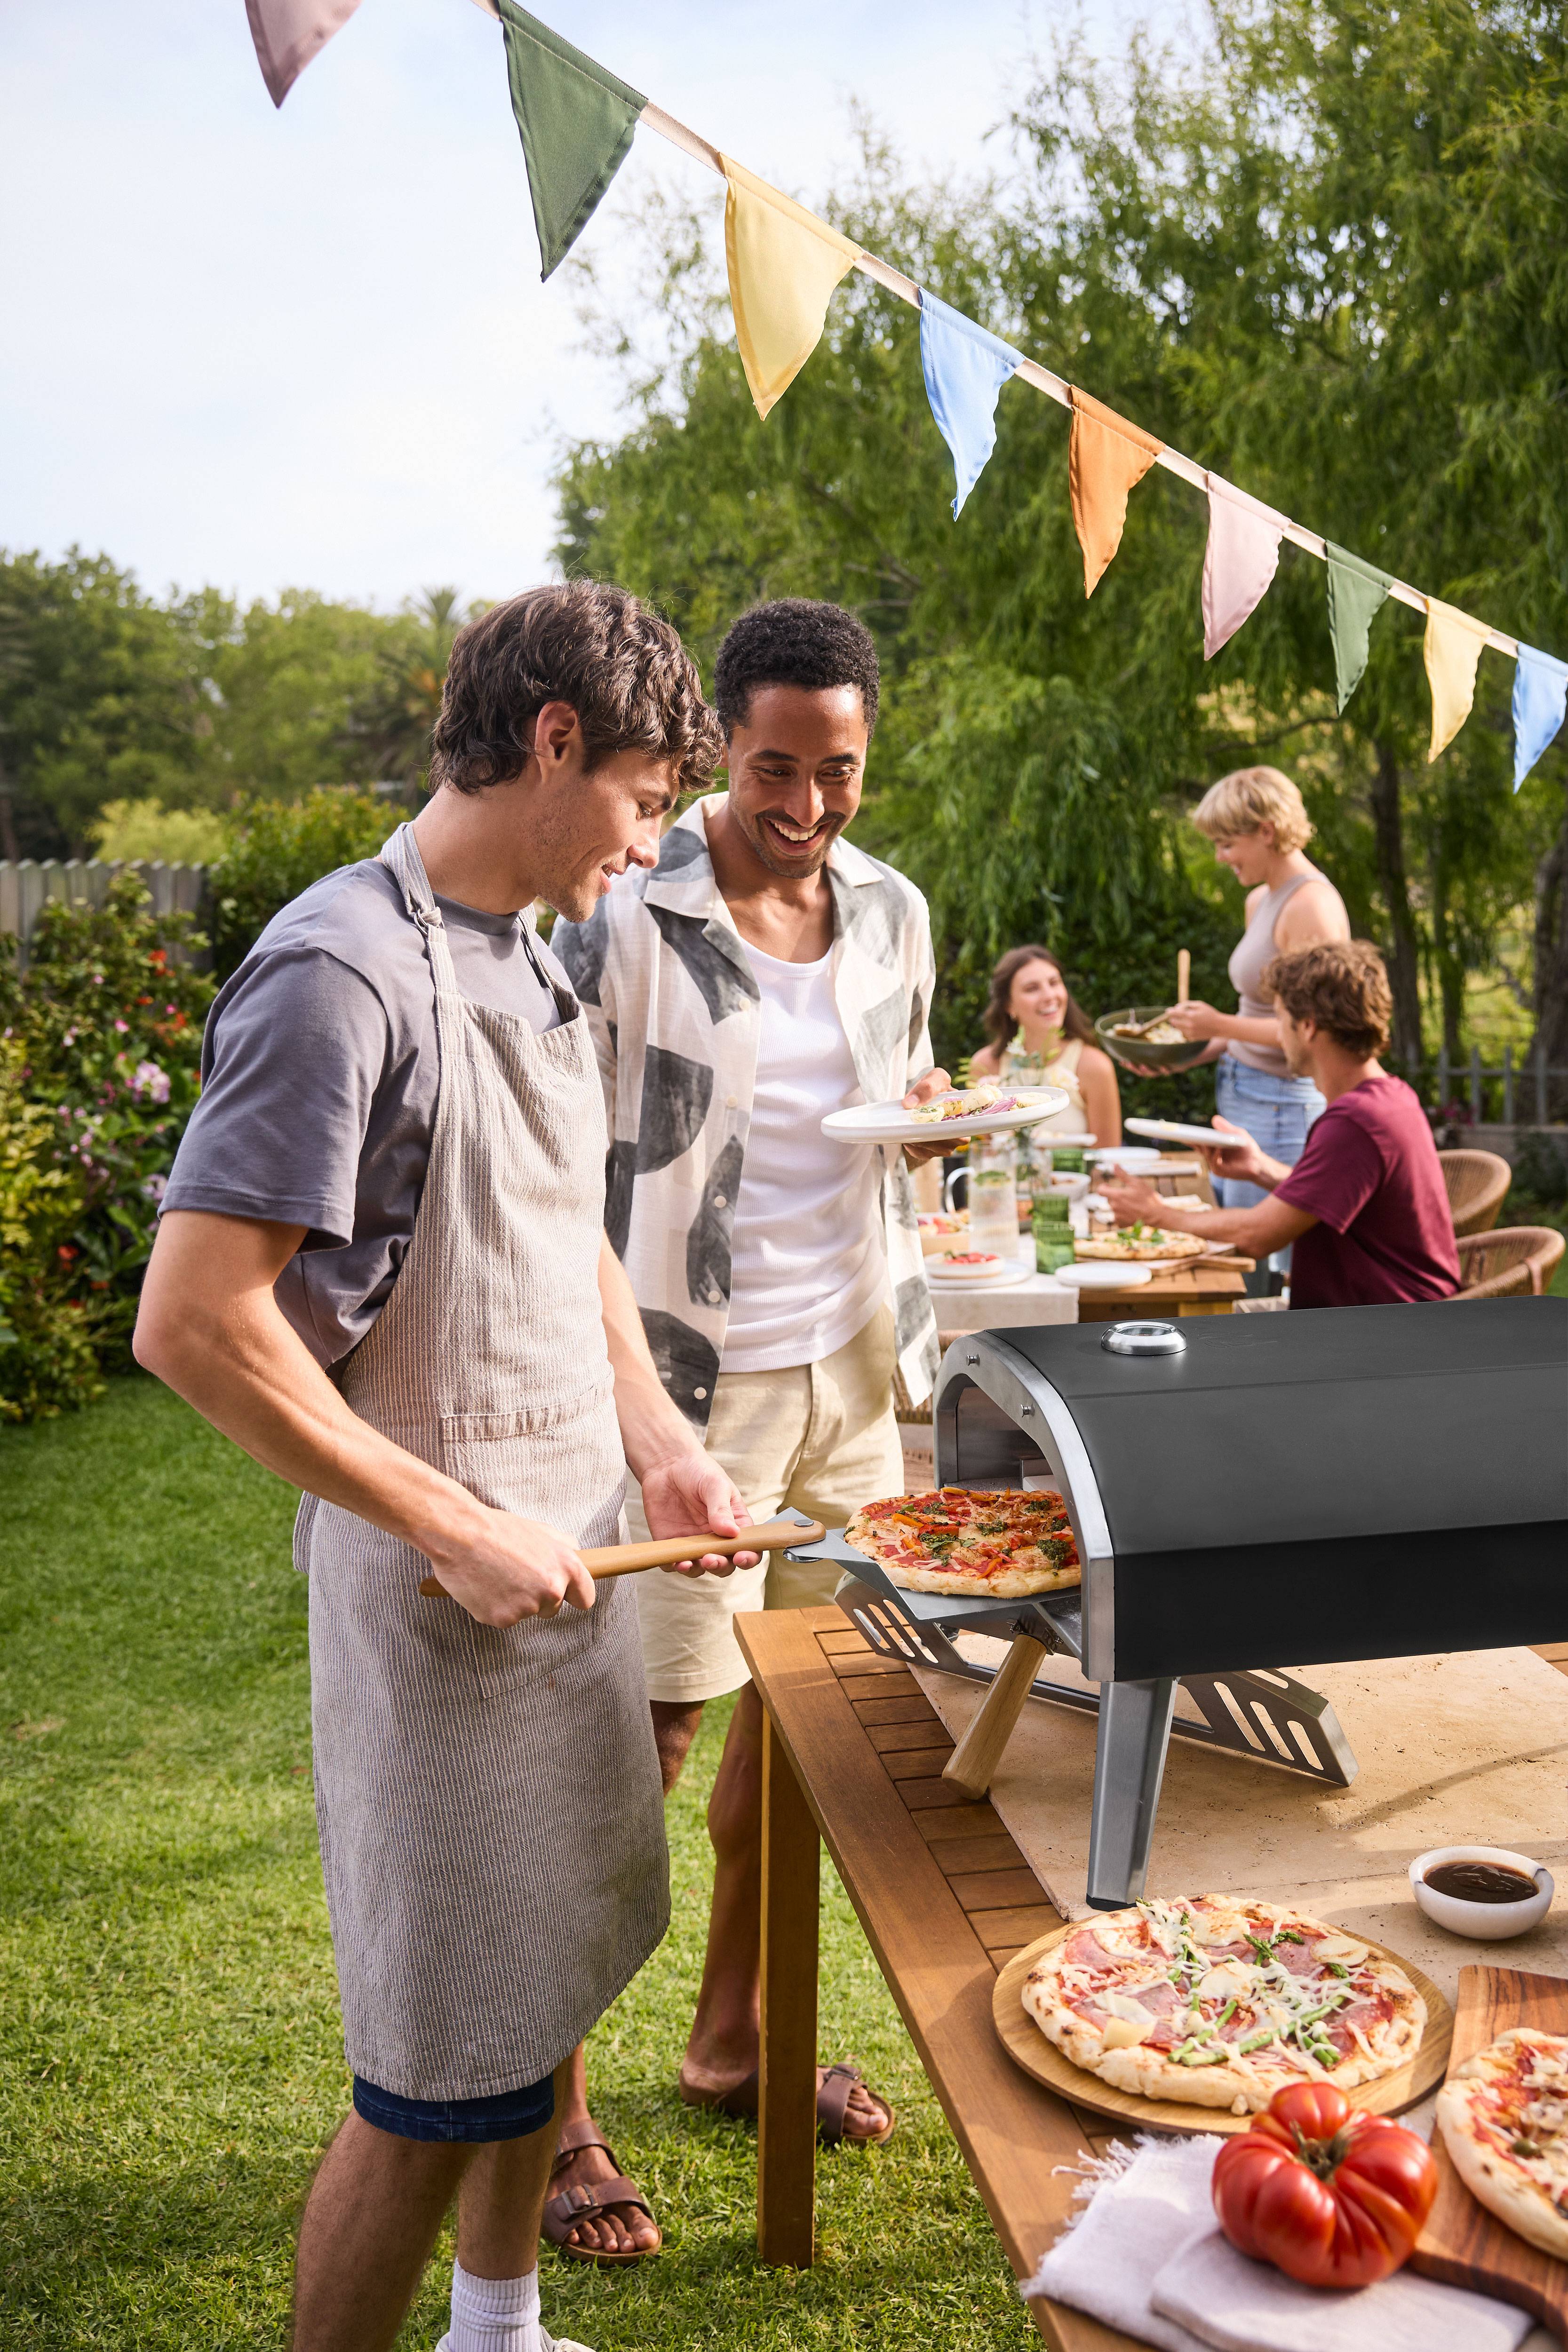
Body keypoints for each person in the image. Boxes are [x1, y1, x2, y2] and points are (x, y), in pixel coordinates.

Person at [133, 583, 757, 2352]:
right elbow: (194, 1319)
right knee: (430, 2077)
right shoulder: (340, 971)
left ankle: (499, 2326)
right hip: (438, 1591)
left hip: (567, 1554)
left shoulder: (535, 948)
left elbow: (560, 1235)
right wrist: (444, 1514)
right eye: (642, 793)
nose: (647, 839)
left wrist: (661, 1444)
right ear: (552, 744)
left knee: (538, 1993)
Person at [551, 597, 949, 2258]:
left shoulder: (891, 911)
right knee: (626, 1757)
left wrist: (937, 1130)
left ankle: (732, 2045)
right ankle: (553, 2115)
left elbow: (904, 1120)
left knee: (803, 1744)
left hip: (849, 1381)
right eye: (775, 768)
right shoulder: (627, 909)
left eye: (838, 770)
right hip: (673, 1391)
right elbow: (542, 1155)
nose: (805, 805)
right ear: (723, 745)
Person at [1102, 941, 1460, 1307]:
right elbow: (1330, 1198)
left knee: (1183, 1334)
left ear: (1306, 1027)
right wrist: (1260, 1168)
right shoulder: (1389, 1097)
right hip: (1385, 1320)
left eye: (1280, 1021)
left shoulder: (1355, 1123)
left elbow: (1257, 1235)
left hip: (1381, 1335)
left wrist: (1156, 1215)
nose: (1278, 1036)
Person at [1160, 767, 1350, 1284]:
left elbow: (1316, 1031)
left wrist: (1215, 1021)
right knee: (1240, 1259)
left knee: (1261, 1262)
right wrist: (1188, 1053)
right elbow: (1255, 1018)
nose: (1221, 857)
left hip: (1283, 1105)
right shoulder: (1260, 899)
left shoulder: (1311, 905)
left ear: (1266, 830)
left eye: (1227, 843)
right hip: (1243, 1089)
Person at [968, 943, 1122, 1145]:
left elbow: (1107, 1159)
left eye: (1054, 983)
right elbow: (982, 1153)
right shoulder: (985, 1065)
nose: (1050, 996)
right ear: (1008, 1005)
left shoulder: (1094, 1066)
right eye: (1032, 989)